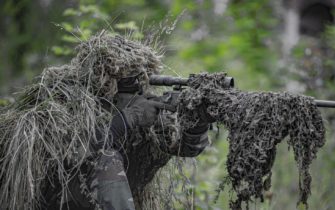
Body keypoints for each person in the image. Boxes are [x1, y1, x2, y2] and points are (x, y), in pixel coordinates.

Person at [39, 35, 213, 210]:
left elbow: (186, 148)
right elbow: (74, 153)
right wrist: (127, 119)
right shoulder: (67, 104)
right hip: (62, 201)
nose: (136, 95)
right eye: (127, 91)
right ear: (104, 87)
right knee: (106, 159)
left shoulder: (143, 109)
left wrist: (197, 121)